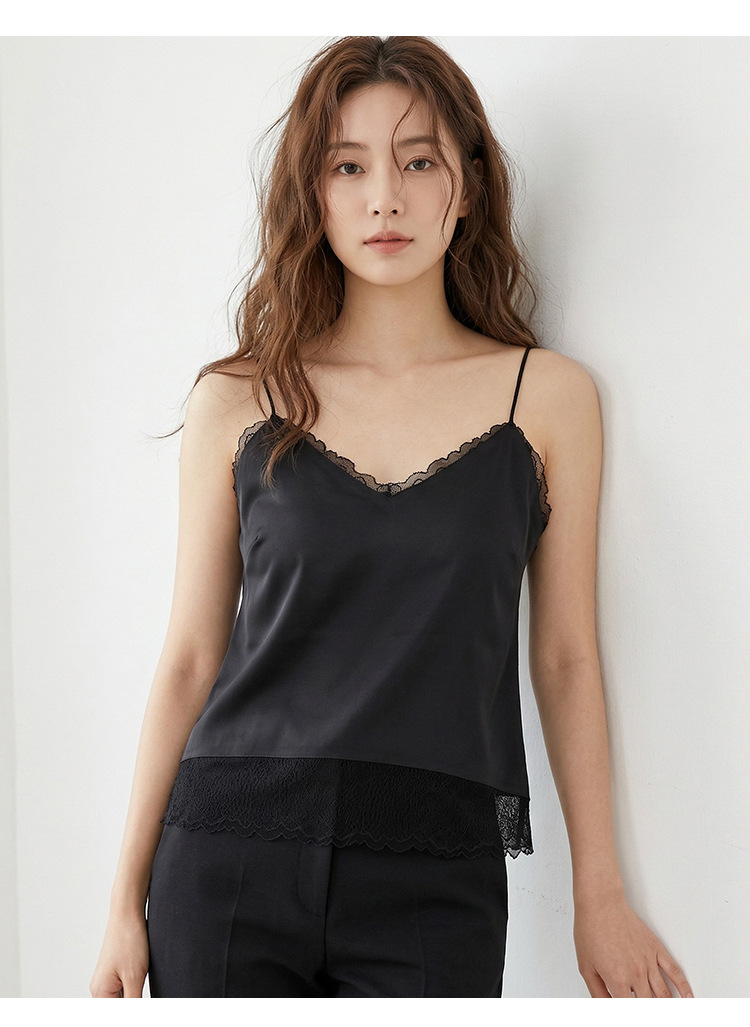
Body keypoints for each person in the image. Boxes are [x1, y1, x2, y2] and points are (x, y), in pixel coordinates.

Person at [89, 35, 694, 999]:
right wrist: (124, 900)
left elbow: (565, 657)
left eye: (418, 162)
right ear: (313, 192)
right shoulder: (235, 399)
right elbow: (191, 658)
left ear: (469, 186)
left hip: (436, 876)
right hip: (227, 857)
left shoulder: (547, 398)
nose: (384, 198)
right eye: (348, 166)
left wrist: (600, 893)